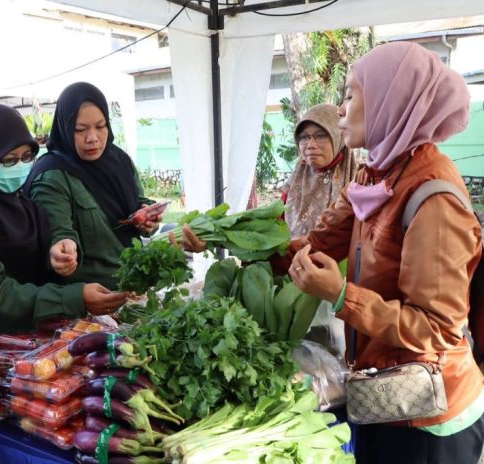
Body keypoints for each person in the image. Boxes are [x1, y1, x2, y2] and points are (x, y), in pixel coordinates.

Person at [177, 42, 484, 464]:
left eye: (352, 95)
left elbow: (437, 329)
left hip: (430, 418)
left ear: (391, 102)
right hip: (383, 397)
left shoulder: (432, 196)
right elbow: (312, 245)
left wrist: (342, 296)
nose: (340, 109)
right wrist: (222, 237)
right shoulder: (376, 174)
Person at [0, 103, 127, 390]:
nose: (19, 167)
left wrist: (54, 255)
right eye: (8, 160)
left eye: (26, 157)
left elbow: (26, 259)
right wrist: (75, 297)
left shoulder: (16, 200)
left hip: (21, 346)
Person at [25, 82, 162, 290]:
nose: (93, 138)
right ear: (65, 128)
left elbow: (138, 201)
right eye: (80, 130)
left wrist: (147, 215)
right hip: (87, 303)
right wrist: (63, 250)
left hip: (133, 289)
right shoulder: (52, 175)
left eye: (100, 126)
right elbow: (58, 231)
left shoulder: (120, 160)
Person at [282, 103, 358, 238]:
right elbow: (278, 220)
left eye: (321, 135)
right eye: (304, 137)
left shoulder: (360, 181)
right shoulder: (296, 179)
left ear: (338, 137)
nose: (310, 145)